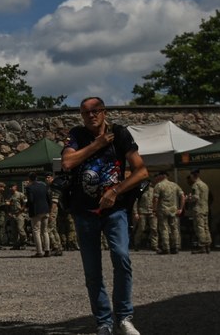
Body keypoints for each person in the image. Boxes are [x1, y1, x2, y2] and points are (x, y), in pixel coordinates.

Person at [62, 96, 148, 335]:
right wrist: (96, 145)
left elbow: (141, 171)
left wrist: (116, 191)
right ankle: (104, 322)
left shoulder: (120, 134)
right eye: (86, 112)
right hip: (84, 211)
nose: (91, 115)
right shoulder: (77, 135)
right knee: (92, 270)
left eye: (96, 110)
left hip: (115, 210)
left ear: (104, 112)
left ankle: (124, 317)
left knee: (121, 257)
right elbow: (67, 162)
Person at [150, 172, 183, 255]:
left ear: (162, 176)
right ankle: (175, 247)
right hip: (173, 210)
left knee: (164, 228)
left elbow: (155, 199)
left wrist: (154, 210)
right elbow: (182, 196)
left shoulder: (159, 185)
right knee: (174, 228)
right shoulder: (174, 185)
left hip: (163, 210)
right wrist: (181, 208)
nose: (157, 177)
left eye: (158, 176)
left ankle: (166, 248)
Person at [27, 172, 52, 258]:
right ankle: (47, 250)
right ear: (37, 178)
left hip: (36, 211)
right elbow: (48, 198)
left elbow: (30, 200)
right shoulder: (44, 185)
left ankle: (39, 252)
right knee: (45, 231)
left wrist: (27, 208)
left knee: (36, 231)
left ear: (29, 179)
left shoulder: (29, 187)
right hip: (45, 210)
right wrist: (49, 208)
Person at [186, 171, 211, 254]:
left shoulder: (195, 185)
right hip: (205, 208)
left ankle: (202, 246)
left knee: (199, 227)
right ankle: (208, 245)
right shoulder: (205, 185)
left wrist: (188, 199)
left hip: (198, 209)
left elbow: (195, 197)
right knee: (206, 227)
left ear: (193, 176)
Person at [131, 178, 157, 252]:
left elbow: (157, 200)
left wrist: (156, 210)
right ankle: (137, 244)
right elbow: (135, 202)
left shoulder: (154, 190)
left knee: (154, 229)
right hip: (142, 211)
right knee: (141, 228)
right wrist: (135, 212)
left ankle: (154, 245)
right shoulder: (140, 191)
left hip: (152, 212)